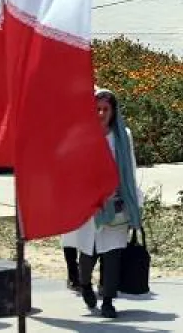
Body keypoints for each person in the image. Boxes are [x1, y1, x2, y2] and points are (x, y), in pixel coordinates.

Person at [60, 88, 142, 319]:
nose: (102, 113)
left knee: (113, 253)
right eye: (97, 109)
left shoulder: (123, 136)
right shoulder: (82, 135)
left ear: (114, 111)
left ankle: (107, 300)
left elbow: (130, 169)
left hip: (116, 203)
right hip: (90, 205)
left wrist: (134, 200)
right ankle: (85, 284)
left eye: (106, 109)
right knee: (89, 251)